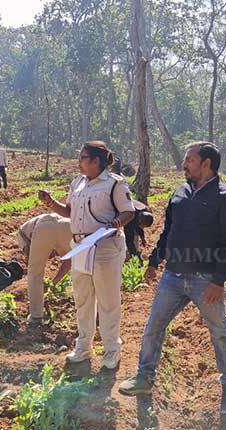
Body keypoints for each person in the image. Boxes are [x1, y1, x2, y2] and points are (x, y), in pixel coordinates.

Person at [118, 142, 226, 417]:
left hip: (205, 279)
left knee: (219, 331)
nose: (183, 164)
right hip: (172, 276)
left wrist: (218, 280)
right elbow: (168, 232)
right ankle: (144, 377)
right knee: (154, 326)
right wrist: (154, 261)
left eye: (190, 160)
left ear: (206, 164)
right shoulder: (180, 193)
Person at [38, 140, 135, 371]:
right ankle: (83, 347)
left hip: (105, 247)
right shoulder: (78, 182)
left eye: (82, 158)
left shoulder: (114, 183)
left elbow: (128, 211)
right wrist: (51, 203)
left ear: (96, 161)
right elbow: (69, 212)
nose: (79, 162)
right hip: (81, 245)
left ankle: (111, 350)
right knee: (82, 298)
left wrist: (115, 223)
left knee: (108, 301)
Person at [16, 213, 73, 325]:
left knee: (34, 272)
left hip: (43, 226)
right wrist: (54, 283)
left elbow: (31, 261)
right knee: (79, 264)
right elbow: (68, 262)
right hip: (67, 224)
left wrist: (43, 285)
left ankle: (36, 317)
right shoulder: (25, 234)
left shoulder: (22, 233)